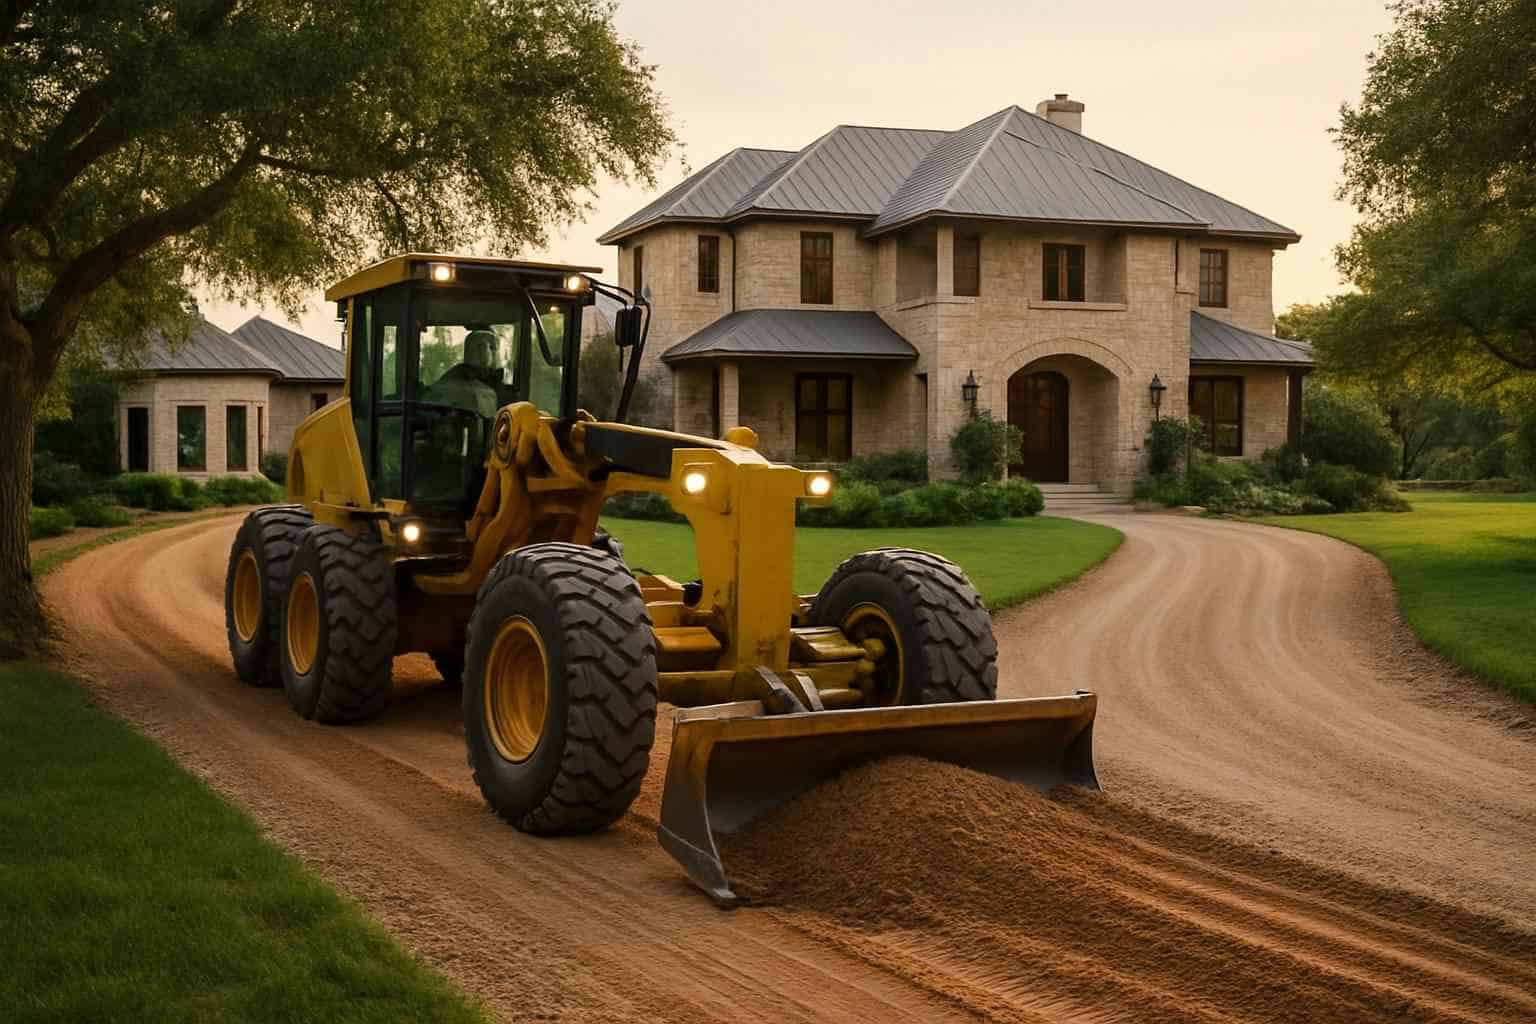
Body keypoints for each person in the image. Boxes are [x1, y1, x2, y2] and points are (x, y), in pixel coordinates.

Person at [425, 329, 500, 420]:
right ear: (483, 350)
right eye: (494, 348)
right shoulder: (476, 390)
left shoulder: (452, 377)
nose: (497, 355)